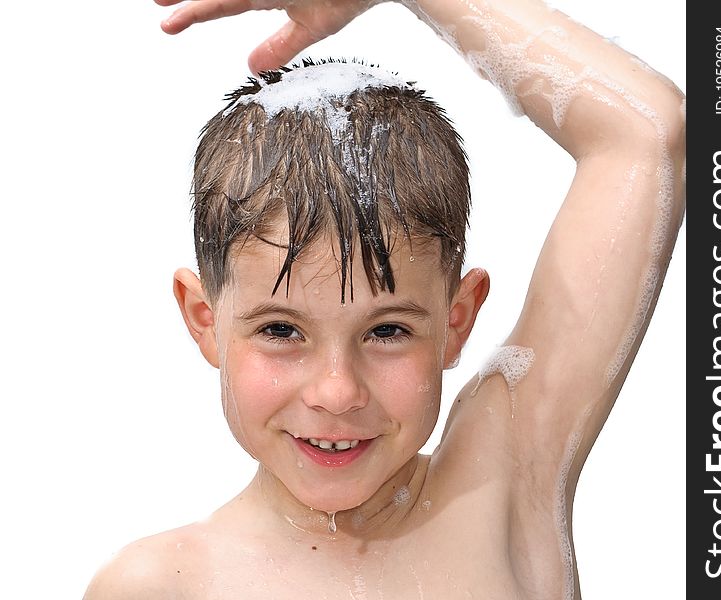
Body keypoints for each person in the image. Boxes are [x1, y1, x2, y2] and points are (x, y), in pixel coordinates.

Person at [83, 0, 685, 598]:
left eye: (387, 331)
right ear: (204, 319)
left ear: (457, 319)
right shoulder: (164, 586)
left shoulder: (502, 486)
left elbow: (648, 131)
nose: (337, 391)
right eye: (281, 331)